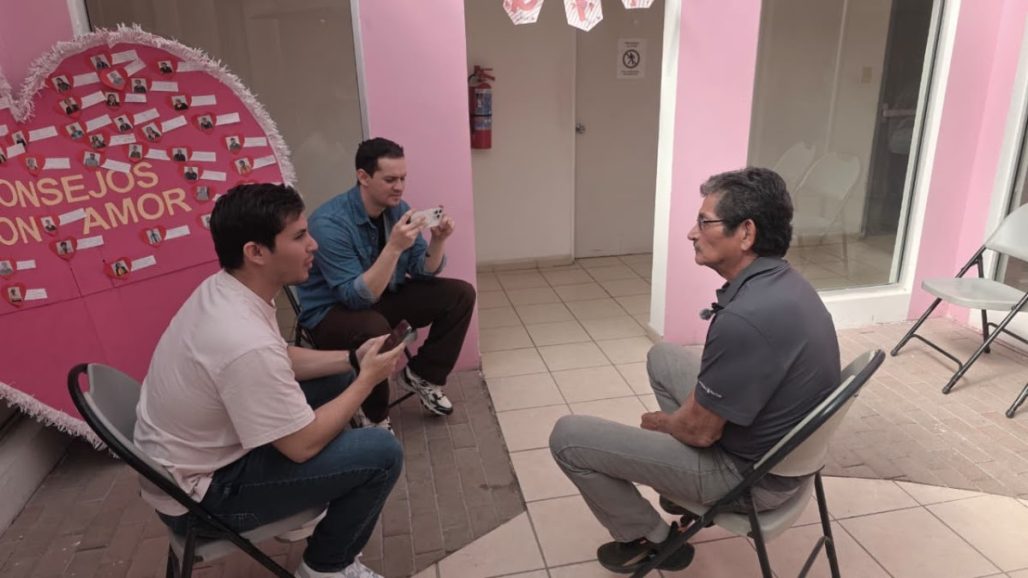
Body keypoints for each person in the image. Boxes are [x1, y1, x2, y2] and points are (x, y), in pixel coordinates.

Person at [548, 167, 841, 574]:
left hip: (751, 481)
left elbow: (701, 432)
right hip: (782, 458)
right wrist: (692, 413)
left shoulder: (746, 318)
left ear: (746, 233)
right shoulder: (786, 283)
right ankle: (680, 488)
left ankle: (649, 539)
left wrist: (665, 424)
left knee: (568, 438)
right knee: (664, 356)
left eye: (705, 222)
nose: (692, 233)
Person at [134, 183, 406, 578]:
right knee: (382, 453)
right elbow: (301, 445)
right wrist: (368, 380)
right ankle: (326, 569)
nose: (313, 245)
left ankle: (302, 499)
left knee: (339, 376)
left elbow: (277, 358)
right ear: (256, 252)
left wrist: (353, 359)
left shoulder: (227, 289)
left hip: (196, 464)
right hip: (202, 502)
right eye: (299, 236)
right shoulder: (242, 339)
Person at [296, 137, 476, 430]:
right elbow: (356, 298)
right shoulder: (329, 223)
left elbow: (422, 270)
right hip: (332, 313)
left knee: (460, 294)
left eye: (403, 178)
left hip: (379, 299)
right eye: (390, 179)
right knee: (375, 329)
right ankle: (375, 417)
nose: (399, 187)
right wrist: (393, 247)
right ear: (363, 177)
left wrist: (438, 241)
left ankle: (422, 375)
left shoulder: (398, 209)